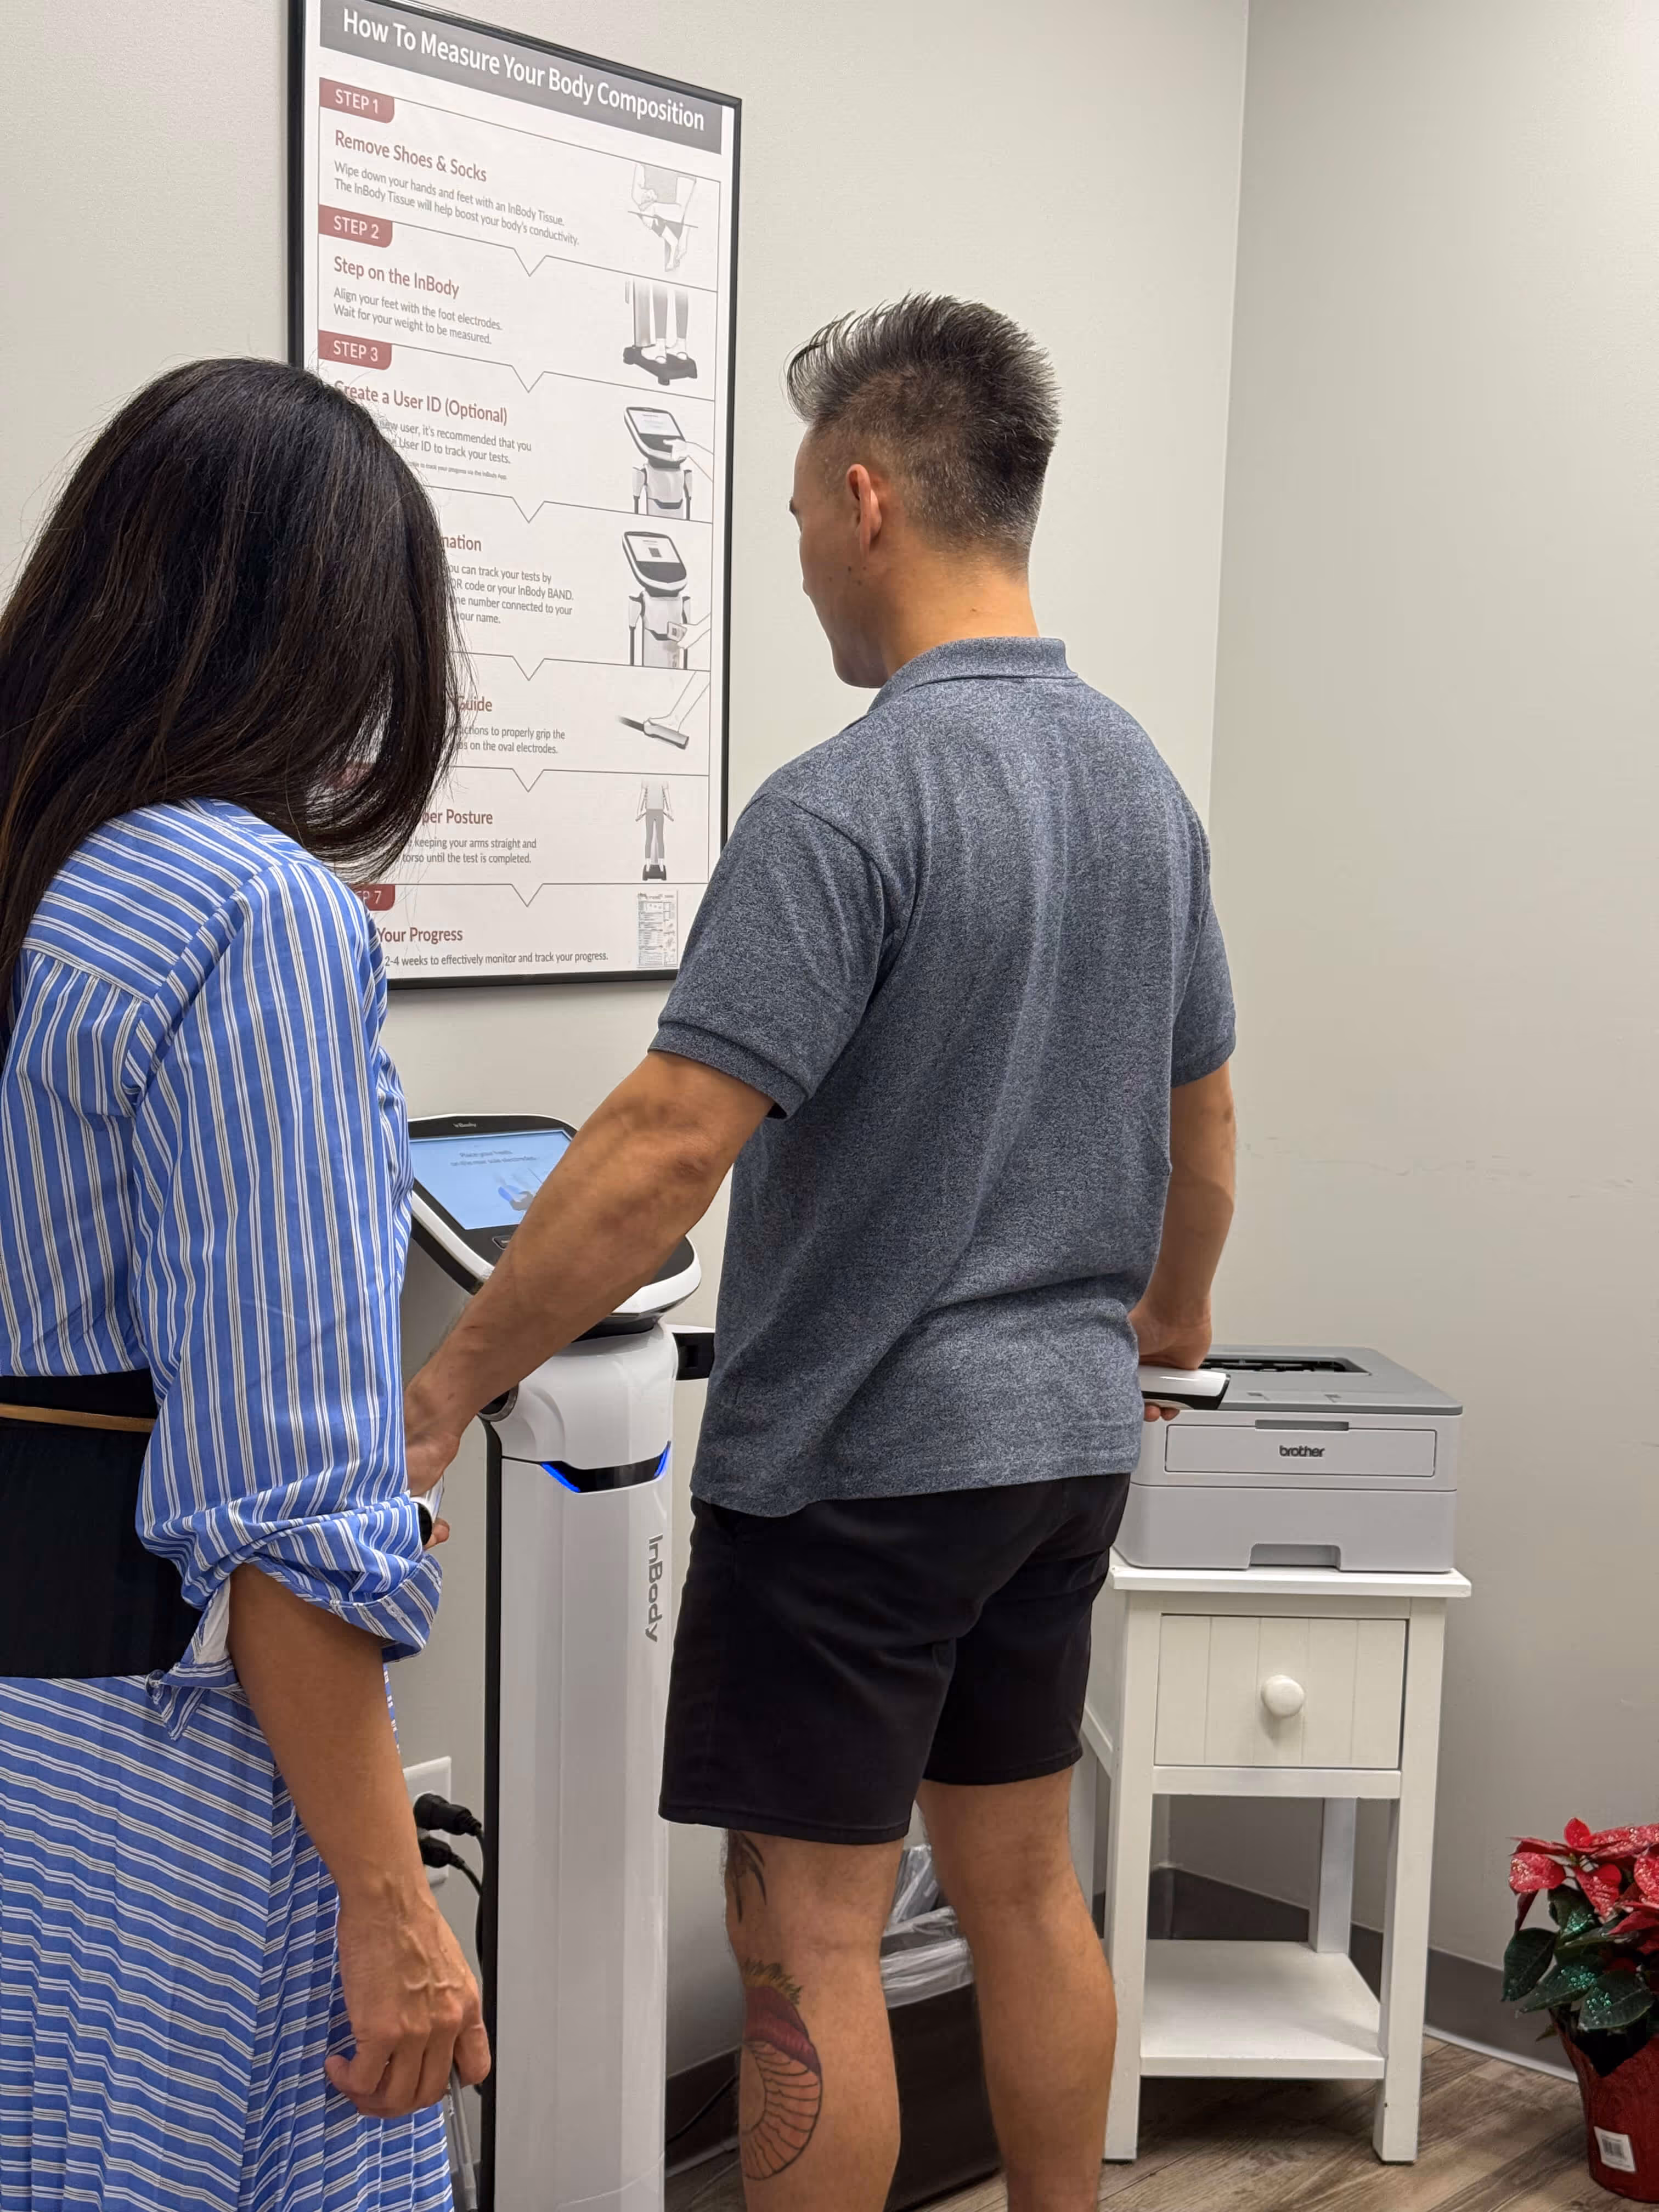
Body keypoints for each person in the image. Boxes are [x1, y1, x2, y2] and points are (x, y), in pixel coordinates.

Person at [404, 295, 1237, 2212]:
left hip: (863, 1466)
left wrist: (447, 1383)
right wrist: (1168, 1325)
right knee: (1028, 1890)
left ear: (866, 501)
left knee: (815, 1948)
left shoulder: (850, 799)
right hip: (1060, 1449)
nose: (796, 566)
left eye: (790, 518)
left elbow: (664, 1147)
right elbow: (1202, 1122)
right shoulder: (1142, 794)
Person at [0, 359, 490, 2211]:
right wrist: (396, 1907)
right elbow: (285, 1509)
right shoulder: (248, 916)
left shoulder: (32, 878)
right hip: (145, 1783)